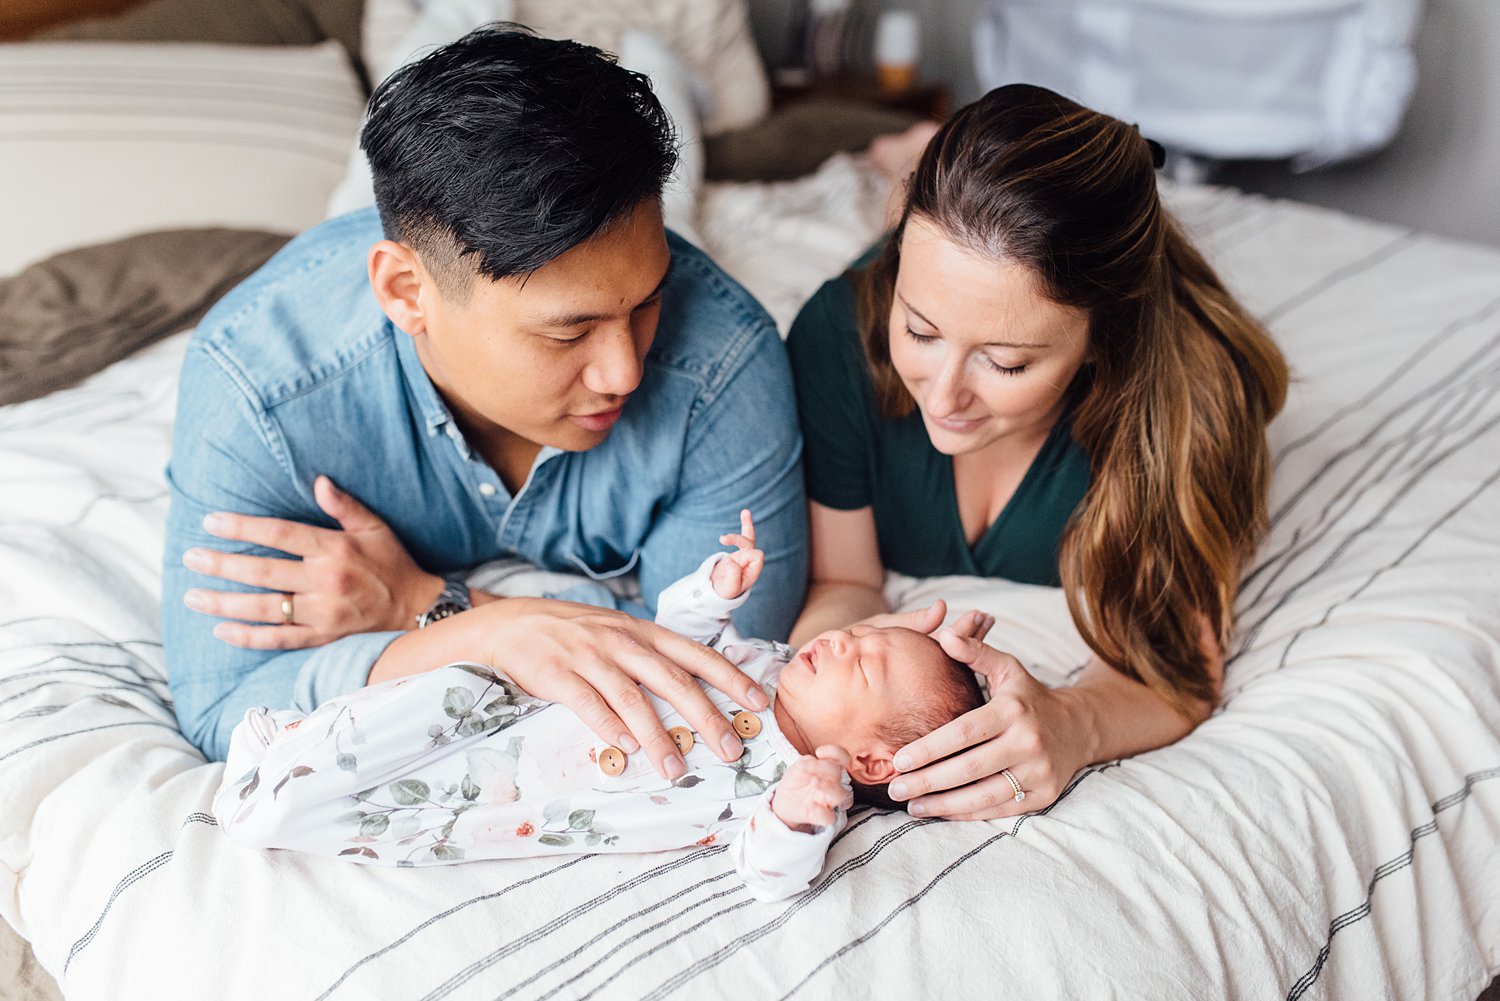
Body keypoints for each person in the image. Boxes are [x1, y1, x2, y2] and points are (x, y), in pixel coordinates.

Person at [161, 26, 808, 775]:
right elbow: (223, 706)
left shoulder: (722, 359)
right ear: (405, 292)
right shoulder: (260, 389)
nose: (626, 372)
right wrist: (498, 636)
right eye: (569, 334)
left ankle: (663, 69)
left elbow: (720, 669)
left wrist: (434, 608)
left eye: (645, 305)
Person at [784, 83, 1290, 821]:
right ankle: (912, 158)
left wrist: (1072, 722)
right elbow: (844, 579)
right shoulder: (839, 335)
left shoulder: (1190, 406)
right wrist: (836, 697)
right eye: (921, 333)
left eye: (1006, 363)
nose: (945, 395)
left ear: (1098, 344)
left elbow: (1176, 674)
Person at [212, 512, 988, 902]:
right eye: (864, 634)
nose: (847, 640)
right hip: (522, 710)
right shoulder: (765, 663)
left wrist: (797, 819)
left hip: (535, 800)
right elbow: (665, 638)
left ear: (873, 760)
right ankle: (296, 745)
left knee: (415, 823)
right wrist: (716, 590)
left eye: (870, 662)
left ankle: (281, 799)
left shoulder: (798, 787)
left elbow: (770, 871)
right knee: (449, 695)